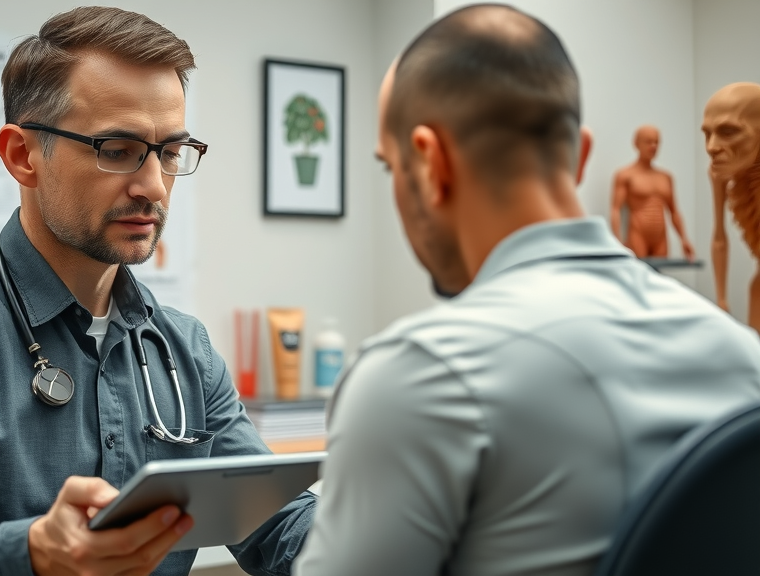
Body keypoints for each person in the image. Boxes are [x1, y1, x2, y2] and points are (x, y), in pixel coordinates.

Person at [0, 7, 314, 576]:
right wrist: (37, 553)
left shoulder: (183, 351)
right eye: (116, 149)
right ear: (23, 156)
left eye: (168, 152)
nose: (152, 187)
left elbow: (278, 526)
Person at [295, 5, 760, 576]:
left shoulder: (420, 374)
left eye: (392, 169)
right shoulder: (744, 356)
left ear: (430, 160)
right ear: (583, 156)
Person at [702, 82, 760, 330]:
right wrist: (721, 299)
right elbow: (718, 237)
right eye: (707, 133)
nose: (711, 147)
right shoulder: (720, 173)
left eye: (728, 131)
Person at [609, 125, 694, 260]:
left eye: (656, 142)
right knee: (638, 274)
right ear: (636, 144)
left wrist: (684, 239)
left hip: (660, 237)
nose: (653, 146)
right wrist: (616, 241)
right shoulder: (625, 175)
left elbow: (674, 211)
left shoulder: (666, 177)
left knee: (658, 275)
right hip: (638, 234)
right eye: (648, 141)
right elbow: (615, 210)